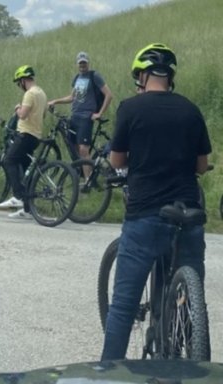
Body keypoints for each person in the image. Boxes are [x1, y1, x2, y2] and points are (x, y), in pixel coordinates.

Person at [101, 43, 211, 360]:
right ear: (170, 76)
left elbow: (117, 159)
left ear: (143, 75)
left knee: (122, 307)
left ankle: (110, 377)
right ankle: (187, 368)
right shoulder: (190, 109)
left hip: (145, 216)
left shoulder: (131, 108)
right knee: (189, 303)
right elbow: (202, 166)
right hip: (188, 213)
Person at [0, 65, 47, 219]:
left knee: (9, 160)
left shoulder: (29, 94)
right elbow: (43, 115)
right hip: (36, 136)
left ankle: (18, 196)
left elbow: (23, 115)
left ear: (23, 80)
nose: (19, 86)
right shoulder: (42, 93)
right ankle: (28, 209)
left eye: (19, 82)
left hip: (25, 134)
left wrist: (18, 108)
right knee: (25, 170)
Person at [48, 52, 113, 164]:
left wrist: (99, 113)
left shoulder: (94, 76)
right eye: (80, 63)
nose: (82, 66)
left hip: (86, 117)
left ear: (88, 63)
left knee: (83, 149)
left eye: (84, 63)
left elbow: (109, 95)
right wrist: (56, 101)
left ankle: (88, 179)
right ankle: (82, 174)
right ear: (77, 64)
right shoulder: (77, 78)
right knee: (74, 147)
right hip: (75, 116)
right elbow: (72, 97)